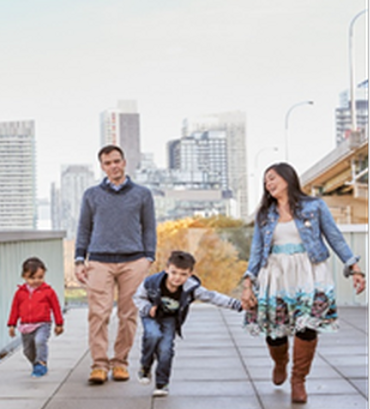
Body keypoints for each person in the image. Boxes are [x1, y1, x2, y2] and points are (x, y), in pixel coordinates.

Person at [241, 162, 366, 404]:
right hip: (275, 274)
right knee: (275, 332)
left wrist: (354, 268)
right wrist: (248, 282)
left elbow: (334, 237)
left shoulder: (314, 206)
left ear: (288, 179)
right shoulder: (265, 214)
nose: (269, 183)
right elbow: (257, 250)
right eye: (266, 180)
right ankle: (280, 362)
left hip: (310, 272)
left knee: (307, 326)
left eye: (273, 178)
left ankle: (299, 379)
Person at [74, 145, 156, 384]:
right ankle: (99, 365)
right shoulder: (91, 195)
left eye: (117, 161)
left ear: (124, 162)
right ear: (102, 167)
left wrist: (148, 257)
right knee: (98, 315)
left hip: (134, 261)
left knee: (129, 315)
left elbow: (149, 227)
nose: (113, 166)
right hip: (99, 261)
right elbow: (84, 229)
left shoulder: (142, 194)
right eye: (108, 163)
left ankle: (120, 363)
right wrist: (79, 259)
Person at [133, 251, 242, 397]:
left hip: (170, 318)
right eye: (174, 273)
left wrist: (236, 304)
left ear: (190, 273)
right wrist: (147, 308)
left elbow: (211, 297)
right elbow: (138, 297)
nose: (177, 278)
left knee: (165, 348)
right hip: (151, 314)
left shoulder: (191, 288)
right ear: (166, 269)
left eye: (183, 274)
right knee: (153, 335)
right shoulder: (151, 282)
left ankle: (162, 382)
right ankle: (145, 366)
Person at [8, 257, 64, 377]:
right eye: (32, 278)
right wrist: (12, 324)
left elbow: (56, 308)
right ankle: (36, 364)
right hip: (26, 325)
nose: (36, 281)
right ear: (24, 276)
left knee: (40, 341)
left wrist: (59, 324)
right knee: (27, 351)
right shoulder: (20, 293)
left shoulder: (48, 291)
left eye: (40, 277)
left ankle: (42, 363)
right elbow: (15, 309)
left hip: (42, 324)